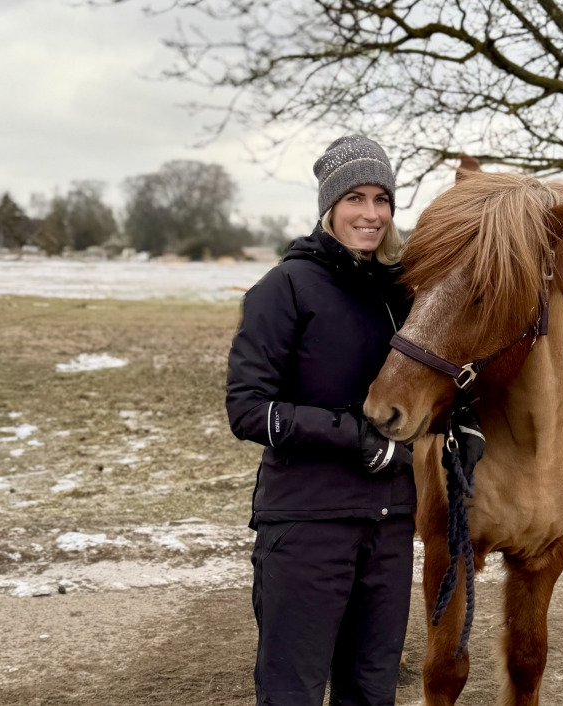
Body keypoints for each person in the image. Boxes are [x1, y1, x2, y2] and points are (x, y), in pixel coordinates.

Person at [226, 135, 416, 706]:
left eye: (382, 199)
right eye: (356, 198)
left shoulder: (402, 294)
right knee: (293, 694)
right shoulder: (284, 288)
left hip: (388, 527)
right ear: (330, 206)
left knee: (370, 692)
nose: (372, 213)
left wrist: (467, 423)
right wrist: (354, 438)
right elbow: (247, 408)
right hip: (307, 524)